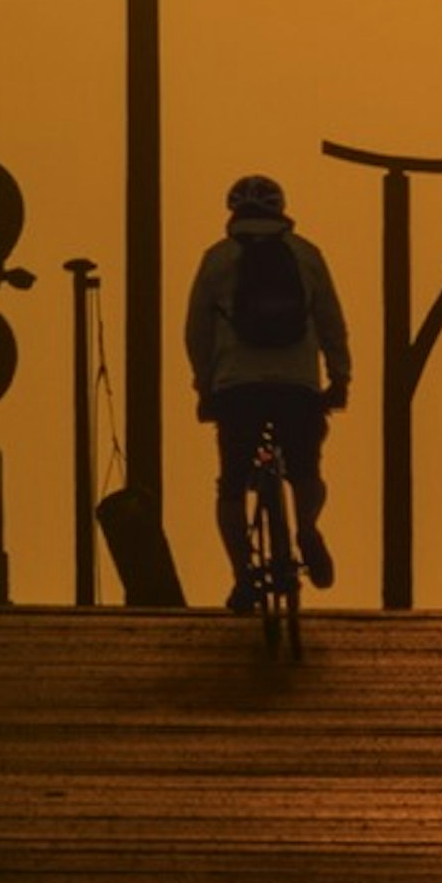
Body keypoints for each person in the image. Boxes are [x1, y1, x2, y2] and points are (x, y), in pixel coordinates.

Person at [185, 171, 353, 593]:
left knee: (231, 485)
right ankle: (308, 529)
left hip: (237, 387)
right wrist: (339, 377)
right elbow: (332, 321)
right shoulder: (306, 254)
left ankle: (242, 576)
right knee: (305, 470)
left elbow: (197, 332)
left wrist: (204, 387)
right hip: (297, 385)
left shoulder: (217, 259)